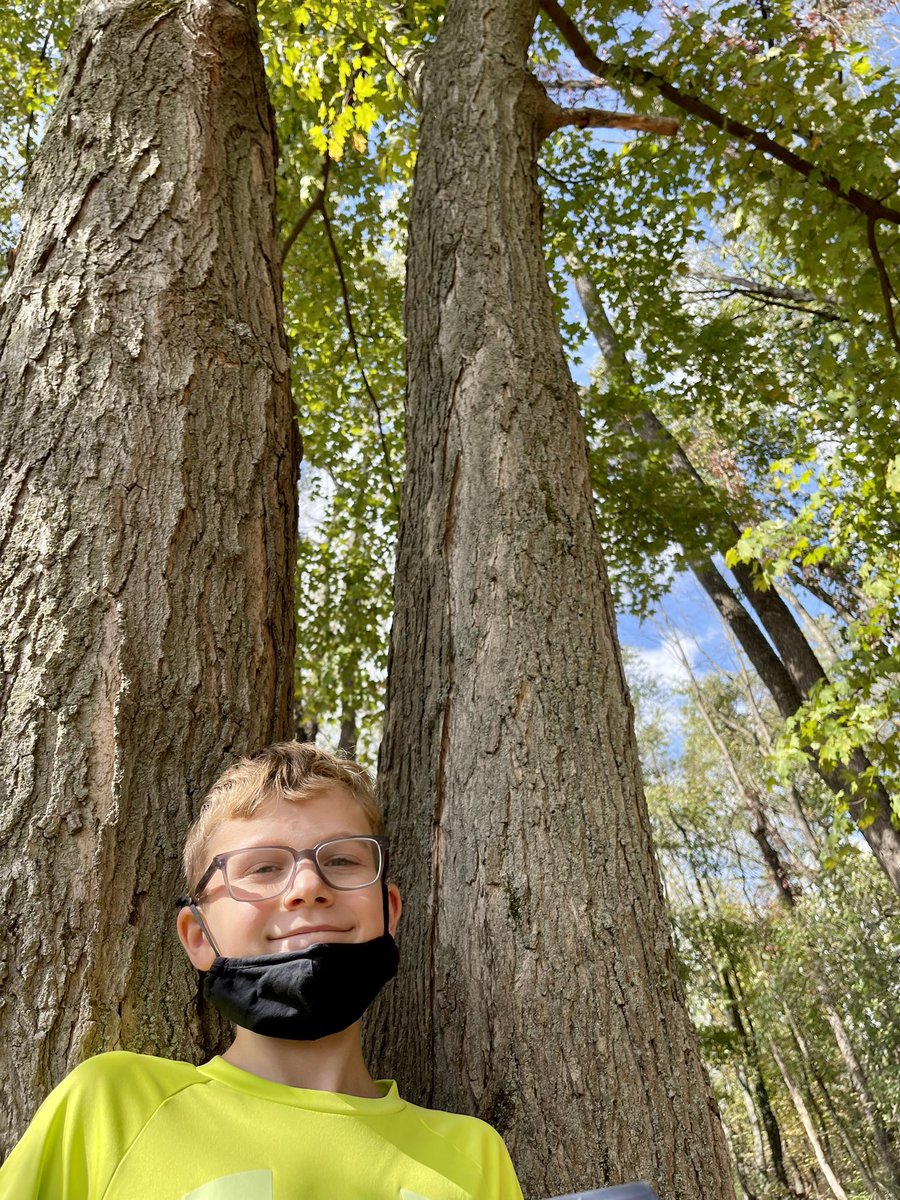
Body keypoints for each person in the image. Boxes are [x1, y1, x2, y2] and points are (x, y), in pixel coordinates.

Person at [0, 742, 524, 1199]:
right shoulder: (110, 1108)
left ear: (388, 911)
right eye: (264, 867)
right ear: (199, 936)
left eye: (342, 860)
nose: (307, 886)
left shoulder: (474, 1155)